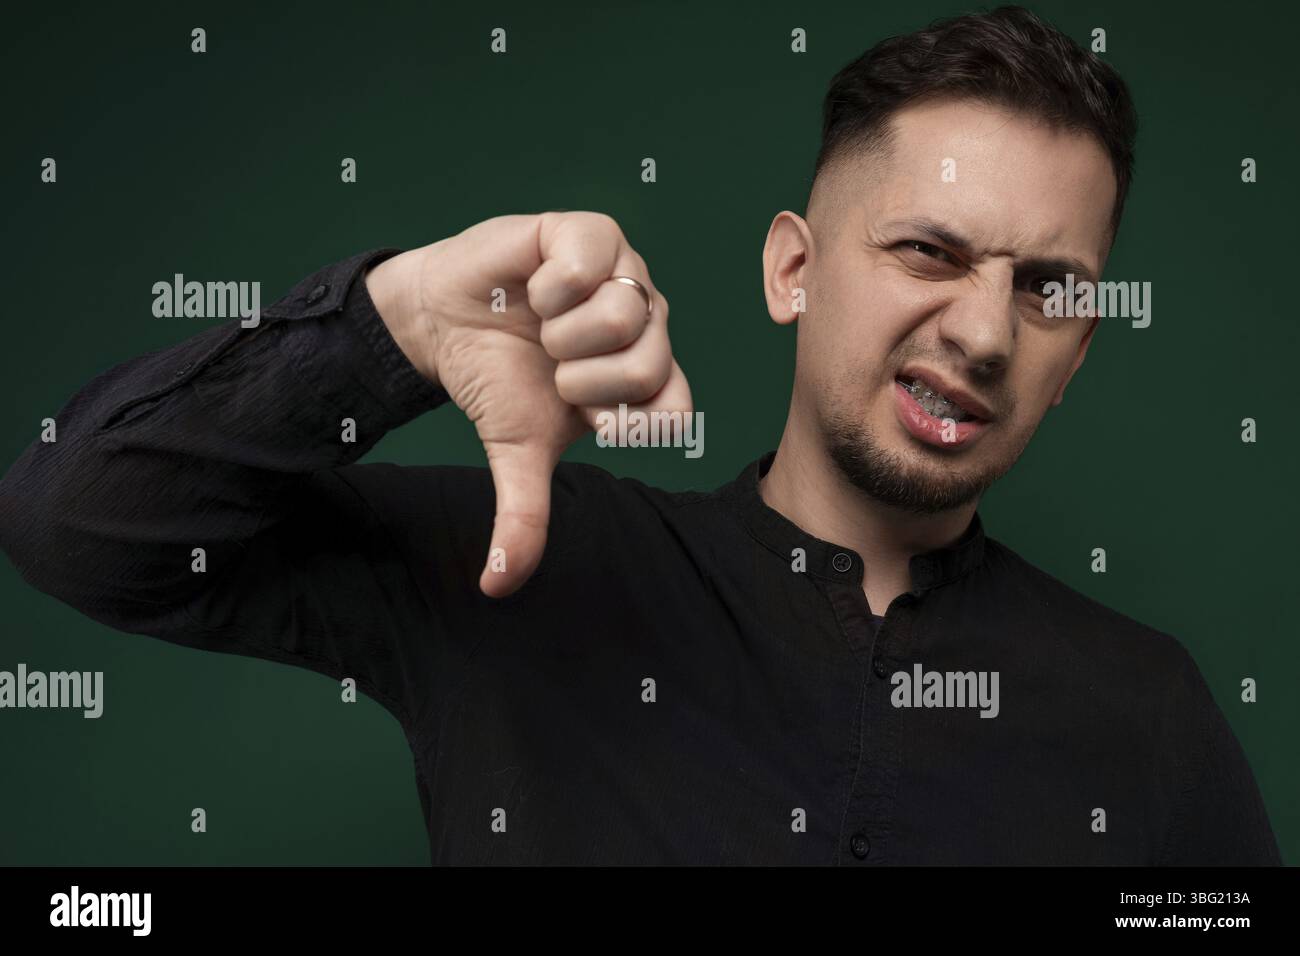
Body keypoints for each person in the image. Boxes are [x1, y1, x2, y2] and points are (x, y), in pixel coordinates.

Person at [0, 6, 1281, 865]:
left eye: (1048, 288)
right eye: (926, 251)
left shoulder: (1151, 715)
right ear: (793, 269)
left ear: (1077, 355)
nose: (989, 333)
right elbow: (80, 526)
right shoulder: (534, 567)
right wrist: (389, 327)